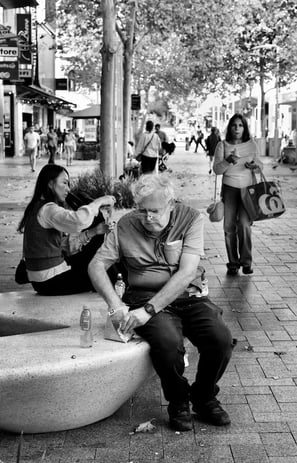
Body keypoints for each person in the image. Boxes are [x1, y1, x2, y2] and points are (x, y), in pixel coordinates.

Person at [88, 173, 233, 432]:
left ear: (171, 204)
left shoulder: (190, 219)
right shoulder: (126, 225)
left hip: (188, 294)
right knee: (167, 342)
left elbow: (187, 272)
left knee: (220, 339)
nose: (147, 218)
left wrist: (148, 311)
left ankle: (204, 396)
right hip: (142, 295)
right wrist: (114, 304)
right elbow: (96, 265)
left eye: (154, 211)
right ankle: (178, 401)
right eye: (142, 210)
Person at [17, 164, 116, 296]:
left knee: (97, 260)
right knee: (100, 268)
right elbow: (79, 220)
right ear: (50, 184)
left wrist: (94, 232)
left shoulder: (37, 207)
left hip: (43, 279)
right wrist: (99, 202)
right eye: (64, 183)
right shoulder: (48, 209)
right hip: (50, 281)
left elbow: (59, 246)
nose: (68, 189)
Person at [213, 113, 263, 276]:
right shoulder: (222, 145)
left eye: (240, 125)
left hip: (248, 190)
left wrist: (254, 166)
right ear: (230, 127)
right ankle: (233, 263)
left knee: (244, 225)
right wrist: (228, 160)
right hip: (229, 190)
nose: (237, 128)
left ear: (245, 127)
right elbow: (217, 170)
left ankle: (246, 262)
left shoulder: (252, 145)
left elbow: (260, 165)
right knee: (229, 228)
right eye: (234, 125)